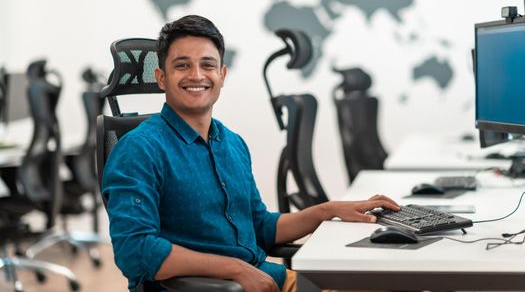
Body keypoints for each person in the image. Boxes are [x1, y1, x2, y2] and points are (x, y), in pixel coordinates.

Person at [102, 15, 400, 292]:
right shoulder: (139, 149)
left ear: (222, 74)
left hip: (267, 279)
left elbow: (259, 226)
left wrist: (329, 210)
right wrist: (234, 269)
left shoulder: (231, 143)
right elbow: (135, 251)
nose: (196, 75)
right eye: (182, 65)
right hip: (222, 287)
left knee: (390, 282)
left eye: (207, 65)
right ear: (162, 77)